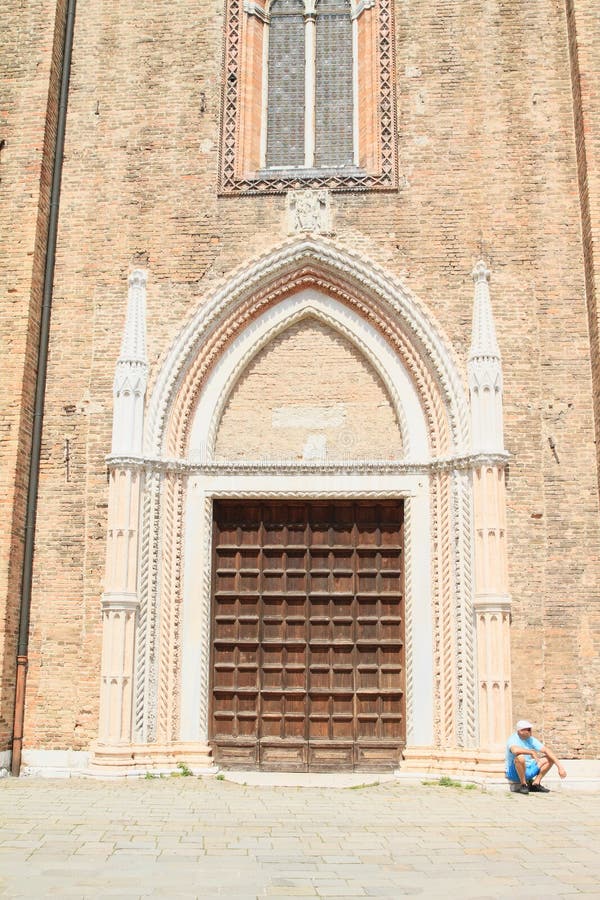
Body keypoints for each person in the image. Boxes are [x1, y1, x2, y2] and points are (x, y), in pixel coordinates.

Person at [505, 719, 567, 794]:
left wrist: (560, 767)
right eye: (528, 730)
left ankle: (535, 784)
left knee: (549, 758)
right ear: (521, 731)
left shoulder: (531, 739)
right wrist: (531, 752)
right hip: (515, 773)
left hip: (529, 769)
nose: (531, 731)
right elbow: (515, 750)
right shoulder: (513, 739)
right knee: (520, 757)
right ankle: (523, 784)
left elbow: (546, 750)